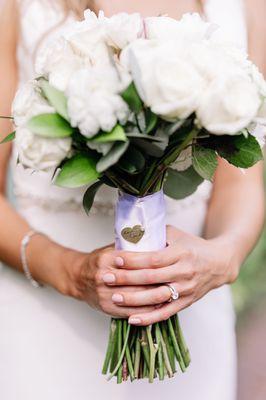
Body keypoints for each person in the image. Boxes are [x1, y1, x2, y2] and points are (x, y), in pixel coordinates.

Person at [0, 0, 264, 399]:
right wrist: (71, 273)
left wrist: (222, 258)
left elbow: (241, 181)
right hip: (45, 325)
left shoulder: (245, 7)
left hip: (191, 318)